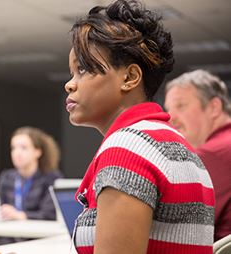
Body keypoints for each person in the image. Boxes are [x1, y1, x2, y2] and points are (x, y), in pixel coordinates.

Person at [63, 0, 214, 253]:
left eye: (83, 69)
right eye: (72, 73)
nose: (70, 84)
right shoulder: (176, 144)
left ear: (130, 78)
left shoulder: (126, 149)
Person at [164, 69, 231, 241]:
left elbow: (174, 228)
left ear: (214, 107)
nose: (170, 117)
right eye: (168, 109)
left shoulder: (211, 154)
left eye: (181, 106)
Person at [0, 126, 63, 221]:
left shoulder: (51, 178)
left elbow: (49, 214)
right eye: (13, 148)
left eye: (23, 148)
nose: (17, 153)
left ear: (38, 152)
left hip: (37, 233)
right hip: (9, 232)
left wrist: (20, 216)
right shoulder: (7, 177)